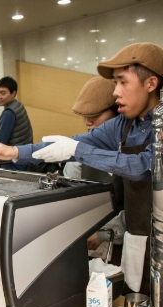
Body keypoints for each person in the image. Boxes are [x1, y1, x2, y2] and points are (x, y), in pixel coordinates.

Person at [0, 42, 163, 297]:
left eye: (123, 82)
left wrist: (76, 149)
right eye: (115, 84)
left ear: (151, 83)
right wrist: (13, 152)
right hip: (137, 240)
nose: (115, 92)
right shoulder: (123, 125)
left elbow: (142, 167)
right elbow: (75, 142)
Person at [62, 77, 123, 258]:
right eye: (85, 116)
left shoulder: (132, 150)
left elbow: (139, 210)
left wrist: (105, 232)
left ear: (116, 112)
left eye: (95, 115)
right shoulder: (80, 148)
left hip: (122, 245)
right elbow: (70, 193)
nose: (88, 122)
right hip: (87, 242)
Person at [0, 76, 33, 170]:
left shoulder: (9, 113)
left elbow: (1, 142)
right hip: (24, 157)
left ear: (13, 93)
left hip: (12, 162)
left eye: (3, 93)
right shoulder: (18, 105)